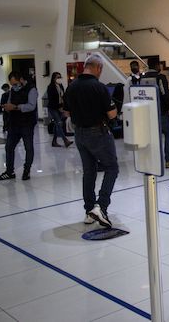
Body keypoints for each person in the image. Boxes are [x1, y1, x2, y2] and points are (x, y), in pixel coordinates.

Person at [63, 54, 119, 228]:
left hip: (79, 133)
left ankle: (89, 211)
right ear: (98, 68)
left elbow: (66, 112)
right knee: (112, 168)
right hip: (98, 132)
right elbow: (112, 114)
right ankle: (101, 207)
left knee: (89, 171)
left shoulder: (72, 86)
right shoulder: (99, 87)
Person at [0, 72, 38, 181]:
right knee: (9, 147)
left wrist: (15, 107)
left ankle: (26, 171)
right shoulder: (13, 91)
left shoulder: (32, 89)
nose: (14, 86)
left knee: (28, 148)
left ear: (22, 80)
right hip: (14, 123)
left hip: (27, 124)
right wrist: (7, 107)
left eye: (15, 84)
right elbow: (10, 102)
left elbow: (31, 106)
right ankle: (9, 172)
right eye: (12, 85)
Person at [140, 62, 169, 168]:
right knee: (168, 134)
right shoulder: (160, 77)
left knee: (153, 137)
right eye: (159, 65)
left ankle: (153, 161)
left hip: (148, 112)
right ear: (157, 66)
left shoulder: (142, 78)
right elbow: (165, 93)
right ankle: (168, 160)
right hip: (161, 112)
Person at [47, 72, 73, 148]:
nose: (59, 79)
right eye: (57, 77)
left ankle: (54, 141)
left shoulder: (60, 86)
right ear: (54, 78)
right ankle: (65, 140)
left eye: (60, 77)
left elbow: (63, 97)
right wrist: (59, 107)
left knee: (57, 124)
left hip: (60, 107)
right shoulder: (50, 87)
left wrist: (63, 107)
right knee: (59, 123)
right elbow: (51, 99)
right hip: (53, 108)